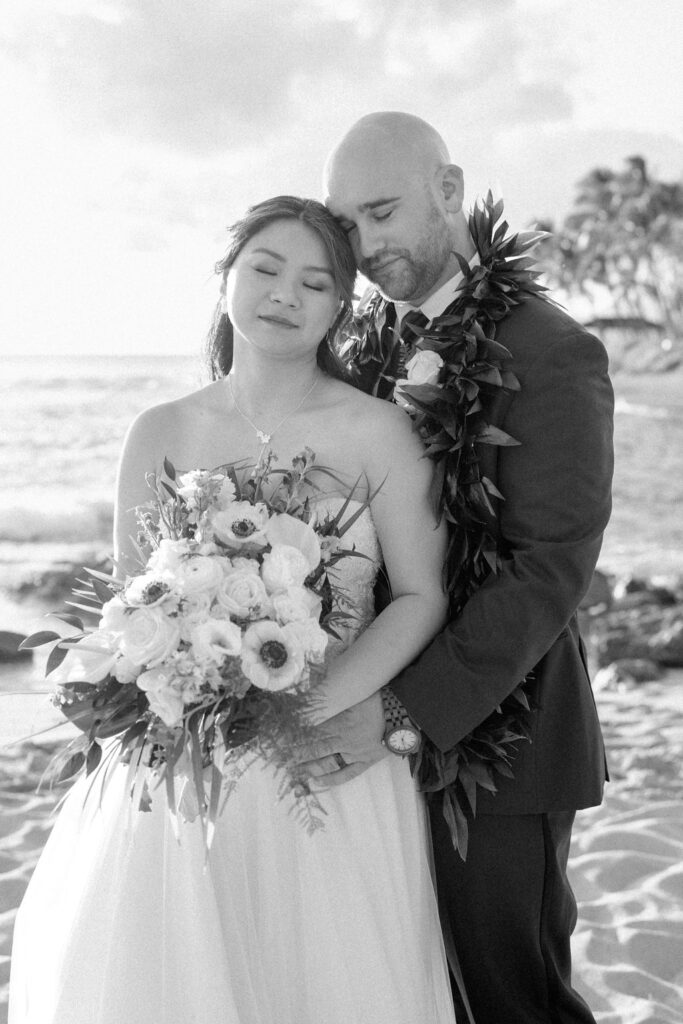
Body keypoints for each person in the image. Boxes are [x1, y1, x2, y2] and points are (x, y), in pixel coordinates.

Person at [8, 196, 457, 1024]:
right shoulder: (159, 428)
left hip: (326, 752)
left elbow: (423, 595)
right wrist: (156, 683)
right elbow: (131, 598)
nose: (285, 294)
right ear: (225, 279)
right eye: (265, 268)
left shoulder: (378, 431)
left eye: (314, 282)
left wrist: (320, 703)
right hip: (182, 751)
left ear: (337, 308)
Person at [292, 113, 614, 1024]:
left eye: (383, 211)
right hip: (369, 724)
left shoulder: (554, 352)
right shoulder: (360, 348)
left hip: (500, 742)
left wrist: (395, 716)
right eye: (345, 225)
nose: (364, 245)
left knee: (510, 997)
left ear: (448, 189)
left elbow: (547, 570)